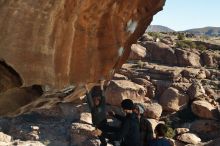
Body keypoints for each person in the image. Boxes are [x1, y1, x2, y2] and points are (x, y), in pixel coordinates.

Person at [85, 81, 108, 146]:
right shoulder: (95, 107)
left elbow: (102, 96)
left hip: (101, 125)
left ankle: (103, 143)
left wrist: (102, 84)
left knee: (101, 137)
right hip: (99, 125)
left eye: (96, 100)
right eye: (94, 100)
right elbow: (90, 99)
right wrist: (101, 85)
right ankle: (103, 143)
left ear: (99, 100)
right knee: (101, 137)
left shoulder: (101, 106)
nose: (95, 101)